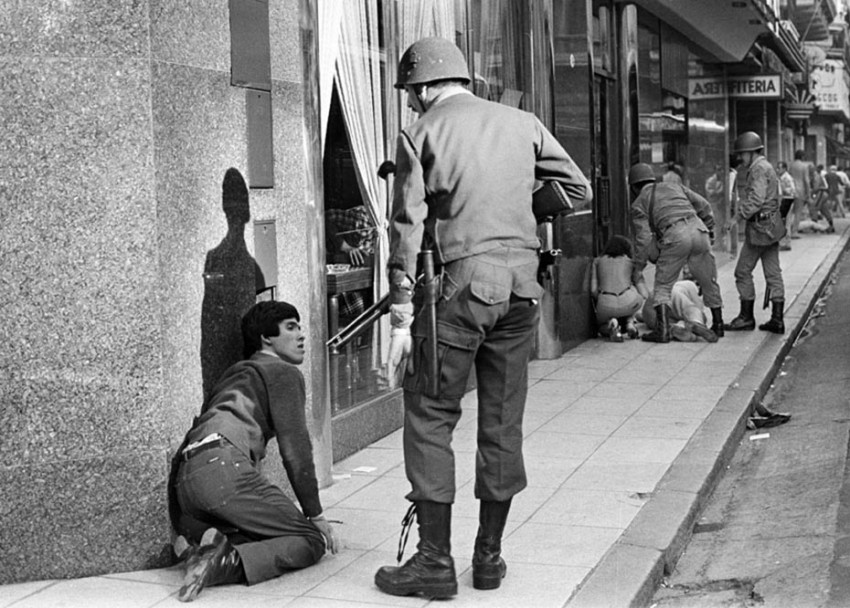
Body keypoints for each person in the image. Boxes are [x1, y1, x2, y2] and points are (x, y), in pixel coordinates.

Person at [375, 37, 591, 599]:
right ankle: (489, 561)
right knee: (500, 420)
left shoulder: (420, 133)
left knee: (429, 413)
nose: (411, 105)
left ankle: (434, 563)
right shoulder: (523, 122)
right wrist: (521, 211)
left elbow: (406, 231)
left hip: (459, 290)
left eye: (410, 95)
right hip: (522, 290)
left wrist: (400, 321)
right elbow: (576, 188)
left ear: (423, 88)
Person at [169, 301, 339, 602]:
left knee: (259, 530)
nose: (301, 335)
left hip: (187, 483)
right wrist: (316, 515)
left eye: (299, 326)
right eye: (291, 327)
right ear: (266, 338)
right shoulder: (282, 372)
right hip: (223, 470)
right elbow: (295, 450)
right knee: (308, 539)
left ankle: (201, 547)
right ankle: (223, 563)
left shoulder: (235, 374)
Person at [628, 162, 724, 343]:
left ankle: (663, 331)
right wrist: (710, 230)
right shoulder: (674, 186)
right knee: (708, 281)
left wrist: (639, 266)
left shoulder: (638, 204)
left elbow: (643, 239)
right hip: (699, 230)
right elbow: (704, 205)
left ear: (633, 187)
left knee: (662, 286)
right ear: (652, 179)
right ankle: (718, 324)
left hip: (675, 235)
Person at [724, 132, 786, 334]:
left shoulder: (758, 169)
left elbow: (757, 199)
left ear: (751, 152)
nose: (740, 158)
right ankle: (777, 319)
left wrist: (736, 218)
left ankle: (746, 317)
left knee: (742, 271)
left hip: (759, 230)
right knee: (773, 273)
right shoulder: (767, 166)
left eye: (742, 154)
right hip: (771, 227)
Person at [590, 235, 648, 341]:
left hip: (605, 304)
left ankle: (611, 323)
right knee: (633, 294)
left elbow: (593, 290)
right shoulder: (631, 262)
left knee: (600, 327)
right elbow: (644, 294)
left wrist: (601, 300)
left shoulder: (597, 262)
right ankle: (630, 323)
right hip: (630, 302)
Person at [641, 280, 717, 342]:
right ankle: (695, 323)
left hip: (651, 304)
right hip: (672, 294)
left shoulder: (677, 283)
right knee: (692, 311)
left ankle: (674, 328)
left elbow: (642, 314)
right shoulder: (692, 286)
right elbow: (698, 309)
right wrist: (701, 320)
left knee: (663, 323)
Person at [787, 149, 812, 240]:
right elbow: (806, 181)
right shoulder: (804, 166)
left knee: (789, 212)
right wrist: (808, 193)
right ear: (802, 157)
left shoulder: (791, 165)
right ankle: (794, 231)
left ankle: (788, 231)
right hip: (800, 191)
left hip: (790, 190)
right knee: (798, 212)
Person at [705, 163, 727, 250]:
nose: (720, 172)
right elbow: (710, 192)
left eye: (721, 169)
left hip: (720, 205)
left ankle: (720, 243)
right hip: (714, 204)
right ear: (715, 171)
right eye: (718, 169)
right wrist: (719, 191)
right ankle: (716, 243)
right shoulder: (711, 180)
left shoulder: (722, 180)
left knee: (720, 224)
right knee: (716, 224)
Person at [776, 161, 796, 251]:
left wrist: (784, 189)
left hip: (787, 200)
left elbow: (792, 190)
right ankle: (784, 241)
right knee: (783, 222)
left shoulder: (787, 178)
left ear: (784, 169)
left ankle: (786, 242)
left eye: (779, 168)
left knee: (786, 222)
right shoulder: (781, 178)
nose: (777, 170)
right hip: (784, 200)